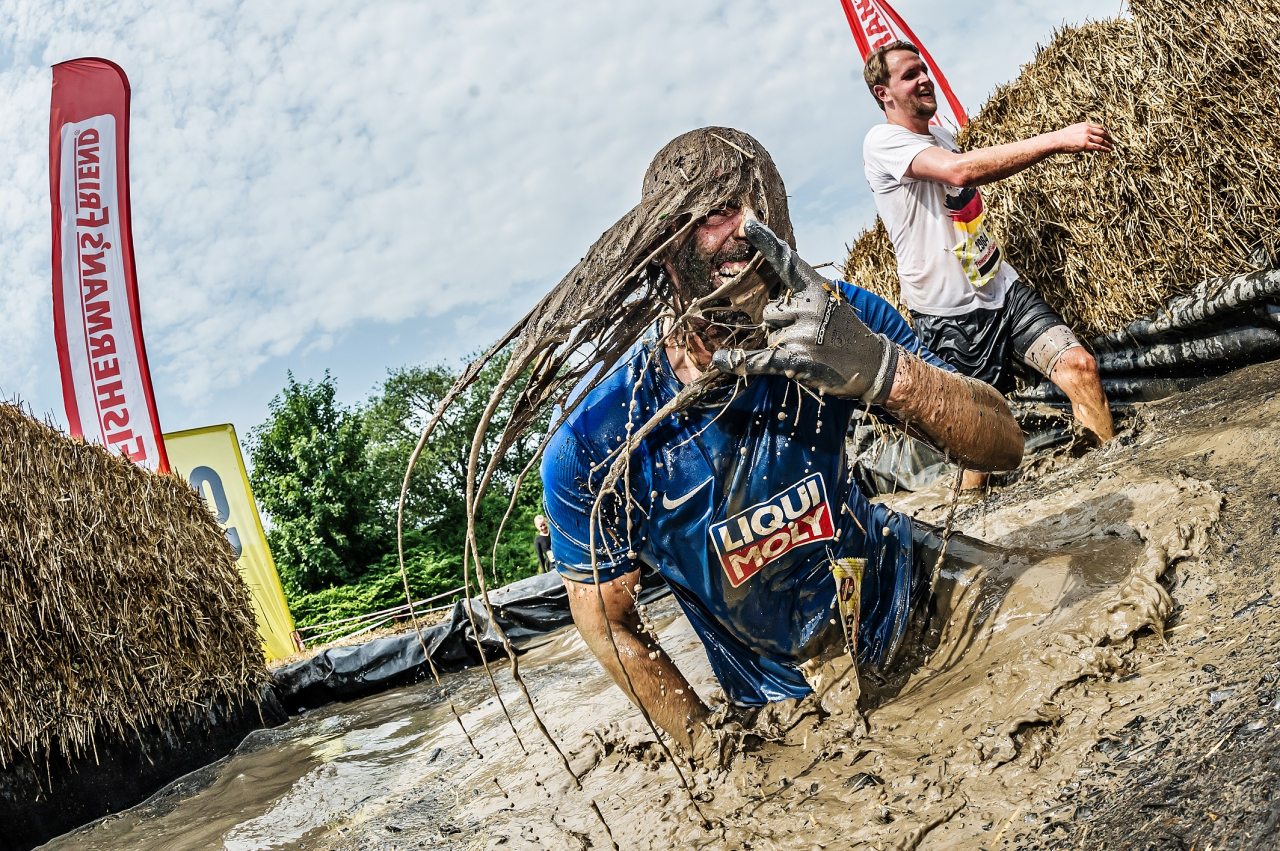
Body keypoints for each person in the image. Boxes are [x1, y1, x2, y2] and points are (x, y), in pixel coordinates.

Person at [541, 127, 1024, 755]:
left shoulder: (838, 322)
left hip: (908, 583)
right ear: (665, 247)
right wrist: (710, 754)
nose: (743, 227)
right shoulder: (600, 436)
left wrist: (884, 372)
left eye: (757, 203)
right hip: (782, 689)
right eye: (714, 213)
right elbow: (609, 624)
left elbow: (1003, 446)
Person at [862, 41, 1114, 489]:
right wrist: (1057, 139)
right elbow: (960, 173)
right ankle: (973, 538)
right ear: (884, 94)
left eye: (923, 69)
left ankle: (1116, 477)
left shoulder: (942, 138)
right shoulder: (882, 143)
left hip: (1002, 287)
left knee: (1080, 367)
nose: (924, 79)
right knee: (977, 453)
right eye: (909, 75)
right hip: (950, 318)